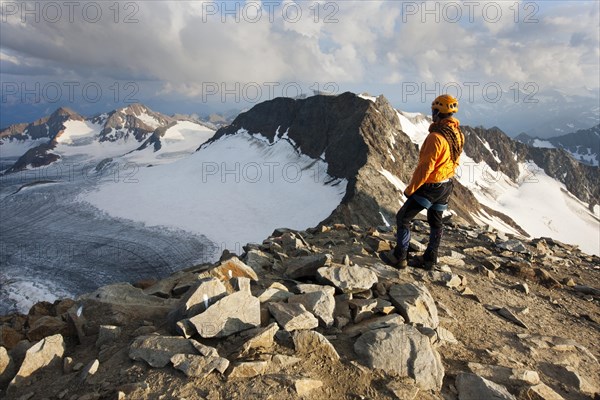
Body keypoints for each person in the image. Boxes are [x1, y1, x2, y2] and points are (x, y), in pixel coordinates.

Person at [383, 94, 464, 270]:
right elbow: (455, 159)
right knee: (435, 221)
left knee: (403, 217)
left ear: (437, 112)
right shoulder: (457, 134)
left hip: (431, 186)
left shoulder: (435, 137)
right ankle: (430, 259)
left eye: (433, 110)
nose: (432, 113)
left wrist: (411, 189)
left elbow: (425, 168)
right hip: (446, 185)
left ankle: (400, 256)